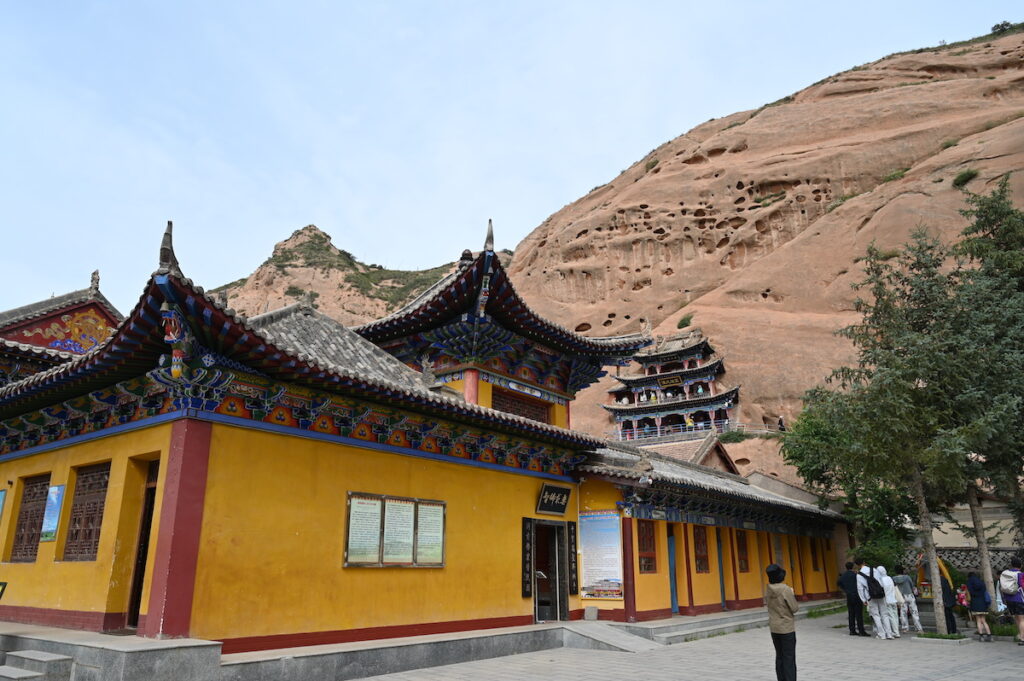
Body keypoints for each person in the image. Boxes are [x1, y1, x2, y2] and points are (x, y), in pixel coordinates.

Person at [765, 563, 798, 681]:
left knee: (779, 657)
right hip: (786, 628)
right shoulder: (785, 589)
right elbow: (794, 608)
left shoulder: (768, 589)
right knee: (789, 658)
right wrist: (792, 594)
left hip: (774, 627)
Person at [855, 558, 893, 639]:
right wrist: (883, 593)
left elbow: (860, 588)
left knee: (876, 615)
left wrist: (863, 600)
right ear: (864, 562)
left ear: (857, 565)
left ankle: (881, 634)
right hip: (880, 594)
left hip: (870, 596)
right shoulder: (874, 570)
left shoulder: (859, 575)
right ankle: (889, 634)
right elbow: (881, 582)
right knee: (885, 614)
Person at [838, 561, 869, 636]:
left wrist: (845, 590)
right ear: (852, 567)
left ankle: (852, 630)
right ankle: (861, 631)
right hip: (857, 595)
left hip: (849, 596)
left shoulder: (843, 576)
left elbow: (839, 583)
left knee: (851, 613)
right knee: (859, 614)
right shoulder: (856, 575)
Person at [1000, 556, 1024, 646]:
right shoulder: (1020, 574)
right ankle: (1023, 638)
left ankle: (1020, 635)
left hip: (1009, 600)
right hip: (1019, 599)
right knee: (1022, 619)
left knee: (1017, 618)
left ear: (1011, 565)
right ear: (1020, 565)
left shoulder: (1005, 573)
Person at [892, 564, 922, 633]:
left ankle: (905, 628)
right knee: (914, 612)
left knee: (903, 612)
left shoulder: (893, 579)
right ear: (902, 570)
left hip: (901, 597)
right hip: (909, 595)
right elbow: (912, 586)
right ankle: (919, 628)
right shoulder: (907, 577)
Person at [966, 572, 992, 641]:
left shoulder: (969, 582)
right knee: (984, 620)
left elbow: (969, 594)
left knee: (978, 621)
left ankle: (981, 636)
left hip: (975, 603)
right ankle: (989, 635)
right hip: (983, 603)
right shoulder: (981, 582)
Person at [876, 566, 901, 639]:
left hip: (887, 601)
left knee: (890, 617)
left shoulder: (881, 580)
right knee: (895, 616)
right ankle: (897, 632)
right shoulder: (890, 578)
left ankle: (894, 632)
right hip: (893, 600)